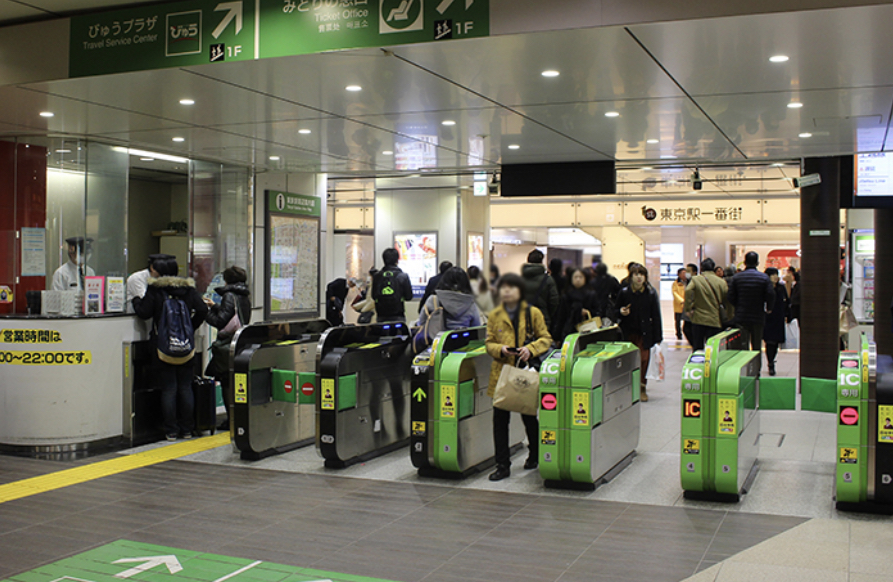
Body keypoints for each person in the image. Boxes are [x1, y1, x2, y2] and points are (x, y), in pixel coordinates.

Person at [132, 257, 208, 441]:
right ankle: (187, 429)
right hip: (186, 347)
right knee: (185, 387)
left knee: (169, 389)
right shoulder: (188, 289)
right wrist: (190, 327)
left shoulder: (156, 289)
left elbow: (144, 312)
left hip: (163, 347)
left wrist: (135, 300)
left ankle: (171, 430)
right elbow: (203, 310)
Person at [485, 273, 552, 481]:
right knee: (499, 421)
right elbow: (488, 343)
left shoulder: (533, 313)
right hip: (503, 375)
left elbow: (546, 339)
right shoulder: (495, 315)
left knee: (529, 417)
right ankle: (502, 465)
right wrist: (500, 349)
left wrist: (530, 350)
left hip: (525, 374)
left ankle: (535, 454)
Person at [204, 266, 251, 430]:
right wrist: (215, 306)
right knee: (236, 380)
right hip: (240, 341)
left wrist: (205, 312)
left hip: (227, 344)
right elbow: (235, 315)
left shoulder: (229, 295)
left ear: (227, 280)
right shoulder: (244, 296)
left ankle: (230, 419)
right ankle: (237, 417)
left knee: (226, 381)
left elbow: (220, 321)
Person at [612, 264, 662, 402]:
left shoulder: (650, 293)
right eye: (636, 274)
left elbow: (656, 315)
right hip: (628, 333)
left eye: (642, 274)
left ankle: (642, 388)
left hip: (644, 333)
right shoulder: (624, 292)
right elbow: (615, 311)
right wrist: (621, 312)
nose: (639, 277)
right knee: (628, 361)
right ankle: (628, 387)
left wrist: (658, 336)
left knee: (643, 360)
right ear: (631, 277)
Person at [728, 251, 776, 359]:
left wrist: (738, 305)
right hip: (758, 315)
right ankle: (756, 371)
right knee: (756, 346)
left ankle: (744, 371)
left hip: (741, 316)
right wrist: (769, 308)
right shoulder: (763, 278)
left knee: (743, 345)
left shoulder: (737, 278)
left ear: (744, 262)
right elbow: (770, 295)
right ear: (757, 263)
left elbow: (730, 296)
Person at [417, 267, 482, 332]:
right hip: (463, 340)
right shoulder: (470, 302)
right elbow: (476, 327)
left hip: (437, 340)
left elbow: (421, 322)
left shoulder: (433, 299)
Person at [684, 258, 729, 351]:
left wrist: (688, 308)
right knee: (713, 348)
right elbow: (726, 299)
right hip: (714, 319)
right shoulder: (721, 281)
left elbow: (688, 290)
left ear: (701, 268)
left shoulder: (696, 279)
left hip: (698, 319)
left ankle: (698, 363)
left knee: (698, 347)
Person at [553, 268, 598, 343]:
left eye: (580, 277)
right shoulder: (566, 295)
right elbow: (561, 317)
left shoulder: (591, 294)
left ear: (585, 279)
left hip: (587, 330)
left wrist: (587, 312)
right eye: (575, 277)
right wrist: (557, 336)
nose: (578, 280)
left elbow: (597, 312)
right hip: (569, 331)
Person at [372, 249, 413, 323]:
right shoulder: (403, 276)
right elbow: (408, 297)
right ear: (397, 260)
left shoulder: (377, 276)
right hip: (398, 315)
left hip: (381, 314)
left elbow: (374, 296)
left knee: (382, 334)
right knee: (399, 334)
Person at [521, 250, 560, 329]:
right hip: (542, 318)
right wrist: (547, 315)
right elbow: (554, 302)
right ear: (541, 261)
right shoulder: (548, 280)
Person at [763, 267, 790, 376]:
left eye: (776, 274)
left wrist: (788, 315)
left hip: (779, 318)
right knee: (769, 342)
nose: (775, 277)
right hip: (767, 318)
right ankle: (770, 364)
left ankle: (772, 360)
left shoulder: (781, 288)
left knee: (776, 342)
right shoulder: (764, 288)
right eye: (772, 274)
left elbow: (787, 301)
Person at [672, 268, 687, 341]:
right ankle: (678, 334)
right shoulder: (675, 283)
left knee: (686, 320)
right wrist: (682, 301)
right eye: (683, 273)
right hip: (679, 305)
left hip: (687, 305)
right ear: (679, 274)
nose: (684, 274)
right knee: (678, 321)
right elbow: (674, 293)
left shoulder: (688, 282)